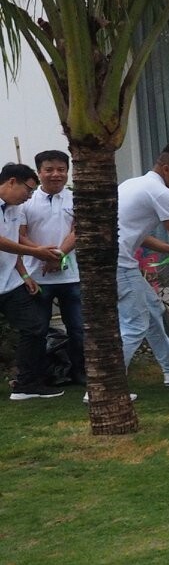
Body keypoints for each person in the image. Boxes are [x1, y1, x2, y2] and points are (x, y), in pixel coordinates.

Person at [116, 145, 169, 385]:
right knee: (134, 325)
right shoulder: (161, 193)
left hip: (118, 261)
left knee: (153, 309)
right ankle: (106, 386)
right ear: (166, 168)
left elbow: (139, 235)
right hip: (119, 264)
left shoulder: (132, 184)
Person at [20, 149, 82, 385]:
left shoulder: (75, 198)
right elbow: (20, 235)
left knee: (78, 328)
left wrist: (58, 255)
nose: (56, 174)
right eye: (49, 170)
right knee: (37, 330)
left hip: (71, 276)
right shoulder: (27, 200)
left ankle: (80, 372)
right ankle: (42, 376)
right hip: (37, 277)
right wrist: (42, 254)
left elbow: (78, 231)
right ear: (39, 172)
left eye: (61, 169)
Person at [1, 163, 59, 400]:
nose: (29, 195)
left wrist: (24, 274)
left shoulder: (15, 209)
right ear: (11, 182)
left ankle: (26, 385)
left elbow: (13, 242)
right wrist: (37, 252)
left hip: (10, 283)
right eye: (28, 189)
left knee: (35, 327)